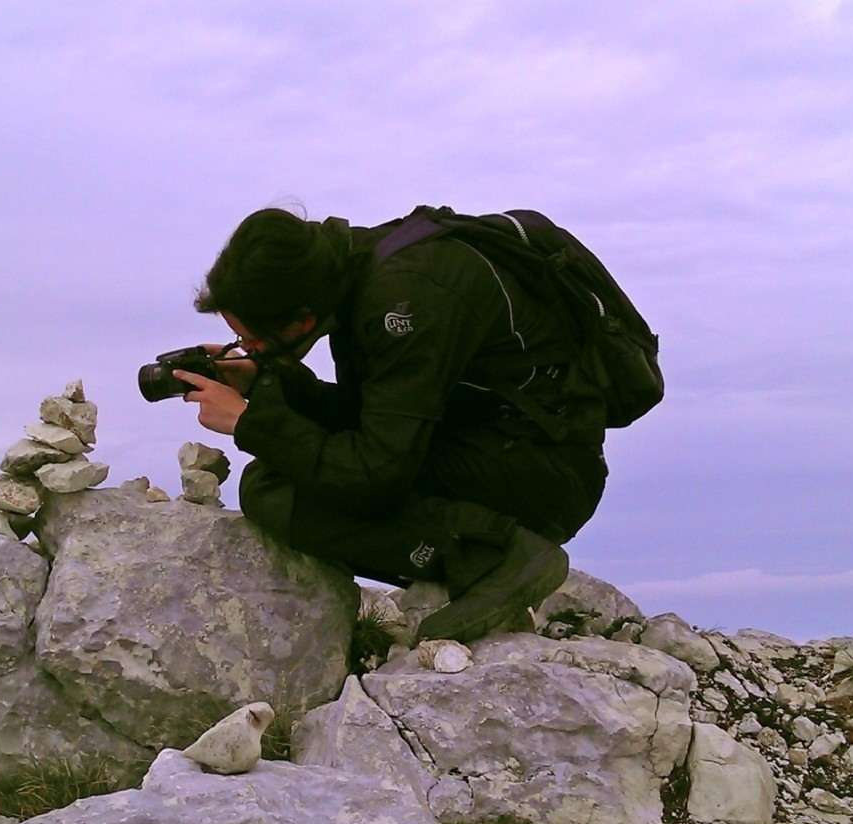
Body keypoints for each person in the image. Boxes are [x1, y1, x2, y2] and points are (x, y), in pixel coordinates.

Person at [173, 206, 608, 642]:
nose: (249, 348)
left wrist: (250, 425)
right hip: (498, 442)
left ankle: (498, 557)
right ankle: (480, 552)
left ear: (302, 319)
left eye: (251, 340)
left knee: (276, 489)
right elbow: (382, 416)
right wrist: (272, 383)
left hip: (542, 474)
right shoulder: (361, 275)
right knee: (286, 470)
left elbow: (374, 472)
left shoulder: (405, 300)